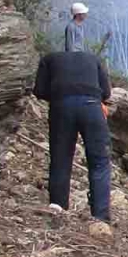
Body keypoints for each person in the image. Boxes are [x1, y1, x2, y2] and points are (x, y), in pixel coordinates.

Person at [33, 50, 112, 221]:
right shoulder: (93, 59)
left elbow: (39, 90)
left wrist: (58, 95)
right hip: (92, 107)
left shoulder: (49, 58)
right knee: (99, 162)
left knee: (60, 159)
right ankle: (101, 216)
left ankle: (58, 209)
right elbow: (106, 93)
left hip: (61, 107)